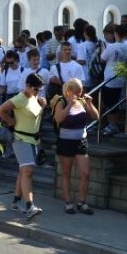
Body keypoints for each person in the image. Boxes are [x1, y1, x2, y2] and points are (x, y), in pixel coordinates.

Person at [0, 73, 46, 219]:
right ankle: (29, 205)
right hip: (21, 138)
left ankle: (16, 201)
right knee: (27, 171)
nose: (39, 91)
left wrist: (42, 105)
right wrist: (11, 121)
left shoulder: (34, 97)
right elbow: (1, 110)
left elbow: (34, 117)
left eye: (40, 89)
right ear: (28, 86)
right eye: (36, 89)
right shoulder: (20, 98)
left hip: (33, 140)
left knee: (23, 171)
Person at [52, 78, 99, 214]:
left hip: (81, 141)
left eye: (81, 91)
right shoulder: (60, 101)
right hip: (65, 141)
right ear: (69, 91)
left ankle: (82, 202)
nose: (80, 93)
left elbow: (96, 117)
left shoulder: (82, 101)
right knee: (66, 173)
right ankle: (68, 202)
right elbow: (59, 118)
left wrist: (90, 103)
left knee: (86, 173)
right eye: (77, 91)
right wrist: (69, 106)